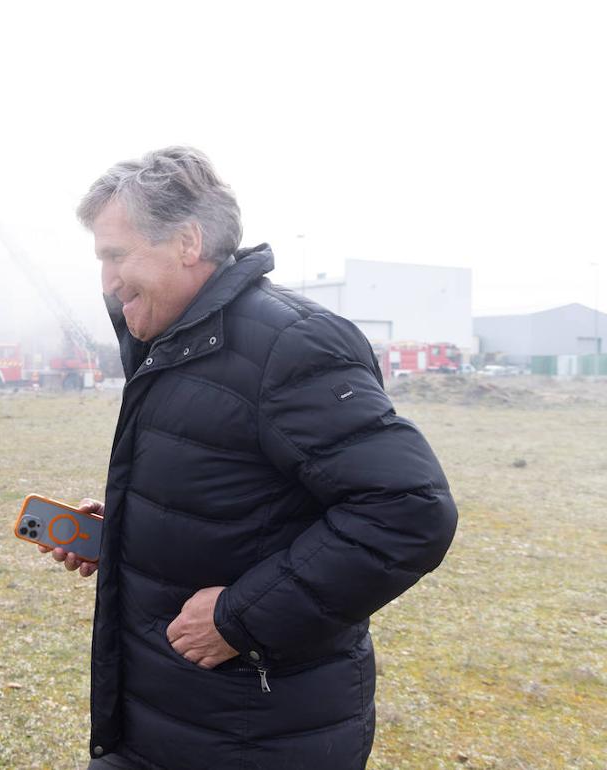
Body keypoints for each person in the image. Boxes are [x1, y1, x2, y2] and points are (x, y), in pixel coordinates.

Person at [40, 146, 458, 769]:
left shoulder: (288, 344)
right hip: (164, 719)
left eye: (116, 256)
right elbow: (236, 497)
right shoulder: (174, 344)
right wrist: (124, 532)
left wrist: (241, 618)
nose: (106, 281)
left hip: (257, 734)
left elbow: (407, 511)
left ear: (186, 241)